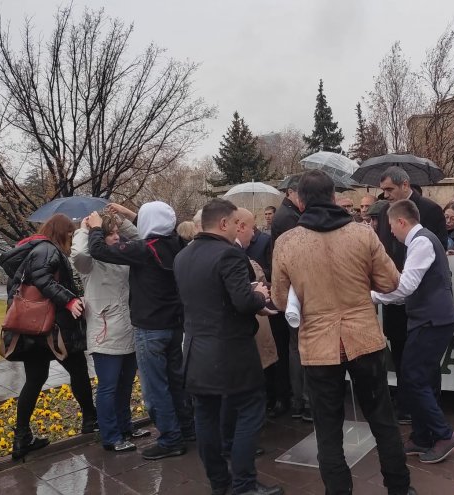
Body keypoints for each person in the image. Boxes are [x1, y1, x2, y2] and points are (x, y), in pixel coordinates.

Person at [272, 170, 415, 495]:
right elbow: (391, 282)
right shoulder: (362, 234)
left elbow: (281, 300)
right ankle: (400, 488)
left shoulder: (287, 242)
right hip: (364, 339)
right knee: (382, 420)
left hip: (318, 347)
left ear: (301, 200)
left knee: (328, 429)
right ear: (334, 196)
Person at [175, 198, 281, 495]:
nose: (240, 229)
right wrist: (259, 295)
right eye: (236, 223)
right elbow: (243, 302)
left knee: (206, 418)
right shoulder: (229, 255)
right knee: (250, 411)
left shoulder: (183, 257)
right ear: (223, 224)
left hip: (195, 351)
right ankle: (244, 484)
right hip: (230, 352)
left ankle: (220, 484)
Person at [87, 201, 195, 460]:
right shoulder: (177, 244)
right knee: (176, 382)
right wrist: (129, 215)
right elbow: (156, 228)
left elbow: (100, 250)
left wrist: (94, 228)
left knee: (156, 388)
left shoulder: (143, 251)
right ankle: (188, 429)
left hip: (149, 329)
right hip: (175, 327)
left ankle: (170, 440)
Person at [0, 214, 96, 460]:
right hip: (53, 330)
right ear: (61, 233)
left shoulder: (34, 248)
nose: (72, 239)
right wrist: (70, 299)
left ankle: (22, 438)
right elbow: (42, 279)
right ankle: (90, 420)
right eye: (71, 234)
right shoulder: (47, 249)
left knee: (36, 379)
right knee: (78, 371)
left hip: (34, 330)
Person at [372, 199, 454, 464]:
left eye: (391, 227)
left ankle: (445, 435)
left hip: (431, 320)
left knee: (412, 378)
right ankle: (423, 436)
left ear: (401, 221)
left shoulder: (421, 242)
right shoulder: (423, 241)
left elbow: (406, 286)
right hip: (430, 319)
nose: (391, 233)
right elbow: (406, 290)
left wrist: (372, 297)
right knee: (425, 378)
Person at [71, 208, 149, 453]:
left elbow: (140, 240)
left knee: (126, 384)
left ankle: (126, 427)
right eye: (112, 234)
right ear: (99, 237)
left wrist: (122, 220)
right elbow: (79, 254)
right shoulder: (90, 264)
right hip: (104, 332)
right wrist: (86, 229)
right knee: (108, 385)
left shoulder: (122, 256)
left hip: (128, 327)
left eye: (117, 233)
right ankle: (111, 436)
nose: (117, 238)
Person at [376, 166, 447, 424]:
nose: (385, 196)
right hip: (395, 299)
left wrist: (374, 294)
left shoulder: (429, 213)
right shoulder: (386, 212)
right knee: (402, 355)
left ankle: (431, 410)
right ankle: (409, 405)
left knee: (423, 363)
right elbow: (383, 248)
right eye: (383, 190)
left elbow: (432, 255)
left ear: (405, 185)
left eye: (389, 190)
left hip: (420, 300)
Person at [269, 174, 303, 419]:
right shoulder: (289, 217)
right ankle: (301, 399)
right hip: (293, 290)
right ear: (292, 192)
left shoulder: (288, 214)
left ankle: (298, 397)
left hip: (290, 287)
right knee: (297, 347)